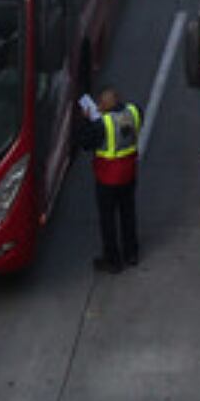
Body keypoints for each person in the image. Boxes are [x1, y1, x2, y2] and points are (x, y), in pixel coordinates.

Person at [73, 86, 141, 272]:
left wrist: (86, 121)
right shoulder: (134, 112)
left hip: (108, 179)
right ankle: (131, 253)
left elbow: (86, 143)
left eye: (100, 103)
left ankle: (112, 260)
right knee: (128, 214)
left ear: (103, 105)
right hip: (129, 174)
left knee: (108, 220)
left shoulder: (102, 124)